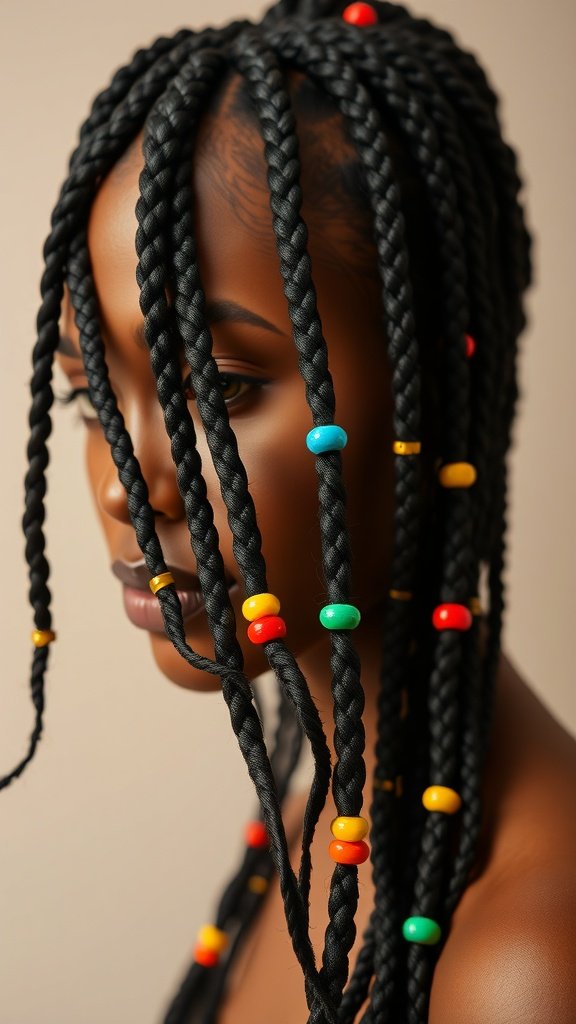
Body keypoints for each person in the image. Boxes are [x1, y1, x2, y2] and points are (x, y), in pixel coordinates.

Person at [2, 0, 576, 1021]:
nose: (125, 489)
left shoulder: (527, 965)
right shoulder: (317, 829)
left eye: (220, 388)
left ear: (432, 379)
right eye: (93, 397)